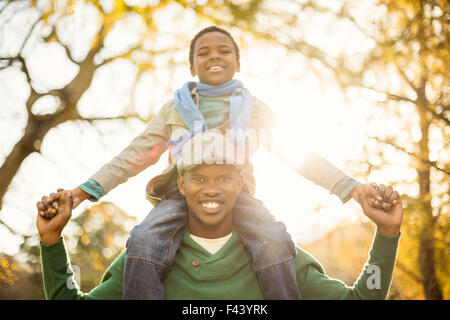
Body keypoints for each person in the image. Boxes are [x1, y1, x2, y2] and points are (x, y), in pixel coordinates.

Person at [37, 26, 394, 299]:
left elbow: (300, 155)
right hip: (179, 199)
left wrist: (350, 187)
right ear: (192, 64)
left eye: (224, 50)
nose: (214, 56)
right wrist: (82, 193)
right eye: (203, 52)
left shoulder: (254, 110)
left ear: (238, 62)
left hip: (241, 198)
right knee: (144, 239)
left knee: (271, 239)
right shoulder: (175, 109)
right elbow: (134, 155)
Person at [37, 132, 402, 300]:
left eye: (224, 177)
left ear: (240, 183)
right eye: (199, 178)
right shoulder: (145, 258)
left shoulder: (274, 255)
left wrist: (386, 234)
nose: (211, 189)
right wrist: (52, 242)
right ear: (181, 185)